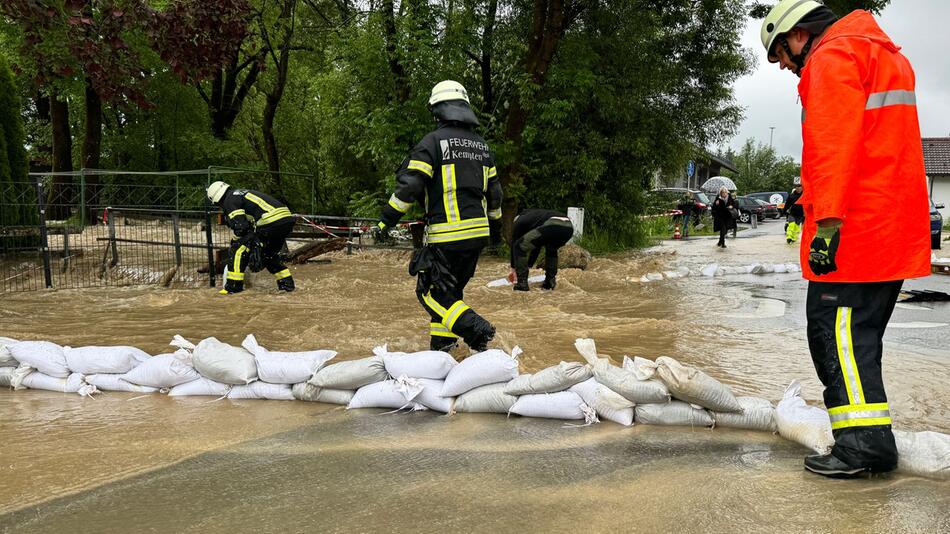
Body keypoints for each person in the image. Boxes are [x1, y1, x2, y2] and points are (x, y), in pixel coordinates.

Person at [761, 1, 931, 477]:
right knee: (859, 340)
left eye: (781, 57)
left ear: (796, 36)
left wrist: (828, 226)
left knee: (835, 338)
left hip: (856, 233)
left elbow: (832, 146)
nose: (785, 68)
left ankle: (863, 448)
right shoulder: (883, 55)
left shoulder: (834, 58)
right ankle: (869, 440)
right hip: (890, 227)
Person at [376, 80, 502, 352]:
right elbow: (495, 195)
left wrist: (386, 220)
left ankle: (476, 329)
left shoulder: (431, 143)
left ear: (437, 111)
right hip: (477, 236)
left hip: (447, 236)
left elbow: (409, 187)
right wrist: (497, 232)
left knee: (430, 293)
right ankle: (442, 349)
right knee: (451, 293)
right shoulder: (482, 147)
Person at [206, 181, 296, 295]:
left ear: (216, 199)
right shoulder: (238, 194)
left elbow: (241, 227)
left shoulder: (229, 200)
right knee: (267, 255)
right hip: (285, 220)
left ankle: (233, 289)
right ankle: (287, 286)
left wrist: (235, 241)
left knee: (238, 250)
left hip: (270, 221)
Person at [508, 209, 574, 291]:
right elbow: (536, 246)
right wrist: (529, 265)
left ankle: (522, 284)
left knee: (519, 246)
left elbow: (515, 244)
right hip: (568, 227)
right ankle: (549, 282)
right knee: (551, 248)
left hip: (552, 224)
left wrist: (514, 269)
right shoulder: (535, 217)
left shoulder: (519, 221)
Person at [783, 177, 805, 244]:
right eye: (797, 187)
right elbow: (787, 204)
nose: (798, 188)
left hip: (801, 215)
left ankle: (794, 239)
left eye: (799, 186)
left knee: (797, 227)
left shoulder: (805, 195)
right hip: (792, 213)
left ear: (802, 187)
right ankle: (789, 238)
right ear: (795, 188)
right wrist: (784, 211)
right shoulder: (791, 196)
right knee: (791, 225)